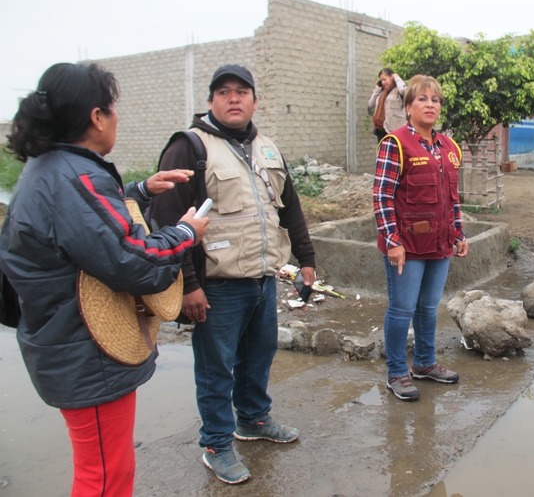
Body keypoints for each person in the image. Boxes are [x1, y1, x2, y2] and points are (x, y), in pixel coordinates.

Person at [0, 62, 208, 497]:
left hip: (66, 344)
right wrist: (186, 233)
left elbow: (86, 227)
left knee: (107, 467)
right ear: (97, 117)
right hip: (85, 350)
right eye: (113, 109)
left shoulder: (53, 170)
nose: (117, 117)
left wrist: (138, 192)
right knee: (105, 476)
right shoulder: (74, 178)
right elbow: (136, 262)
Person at [149, 64, 316, 484]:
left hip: (261, 277)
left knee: (258, 357)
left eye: (242, 91)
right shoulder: (188, 148)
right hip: (216, 285)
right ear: (210, 102)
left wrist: (307, 259)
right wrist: (188, 285)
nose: (233, 98)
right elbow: (167, 220)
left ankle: (253, 421)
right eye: (223, 92)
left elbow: (290, 208)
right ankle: (217, 443)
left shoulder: (268, 148)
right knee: (216, 367)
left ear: (255, 101)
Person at [373, 74, 467, 401]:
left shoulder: (448, 148)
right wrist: (392, 241)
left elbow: (452, 198)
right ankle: (397, 372)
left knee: (428, 308)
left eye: (435, 100)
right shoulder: (395, 143)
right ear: (409, 106)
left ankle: (425, 363)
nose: (430, 105)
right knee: (402, 309)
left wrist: (459, 233)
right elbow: (382, 197)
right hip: (407, 247)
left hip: (439, 246)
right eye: (422, 100)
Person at [368, 68, 407, 142]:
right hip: (382, 130)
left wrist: (397, 78)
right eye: (381, 80)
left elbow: (404, 91)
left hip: (395, 130)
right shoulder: (381, 92)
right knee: (382, 153)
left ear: (391, 77)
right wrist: (377, 89)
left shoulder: (398, 89)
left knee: (396, 153)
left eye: (384, 79)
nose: (383, 82)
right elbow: (371, 104)